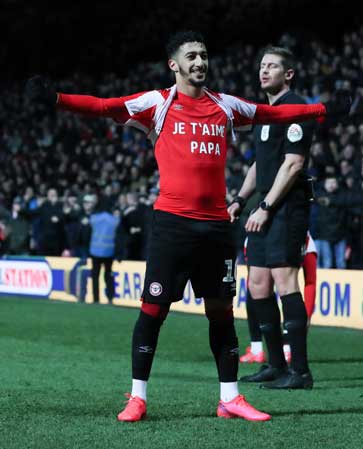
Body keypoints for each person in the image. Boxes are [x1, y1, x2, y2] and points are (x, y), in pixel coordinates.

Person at [25, 31, 350, 421]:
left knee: (221, 313)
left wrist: (322, 110)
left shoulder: (226, 106)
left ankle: (229, 398)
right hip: (171, 225)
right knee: (153, 310)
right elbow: (103, 105)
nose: (200, 62)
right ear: (174, 65)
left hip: (215, 228)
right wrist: (58, 99)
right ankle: (137, 397)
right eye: (192, 56)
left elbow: (274, 114)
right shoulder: (157, 104)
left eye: (204, 55)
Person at [229, 46, 318, 389]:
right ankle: (275, 365)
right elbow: (259, 164)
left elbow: (293, 164)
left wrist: (265, 207)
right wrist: (240, 198)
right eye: (262, 65)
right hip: (264, 208)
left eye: (272, 66)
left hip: (286, 209)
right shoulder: (266, 113)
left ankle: (301, 372)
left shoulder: (297, 108)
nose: (263, 71)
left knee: (284, 281)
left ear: (289, 73)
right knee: (257, 285)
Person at [239, 232, 317, 364]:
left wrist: (308, 316)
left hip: (288, 234)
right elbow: (310, 282)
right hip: (283, 234)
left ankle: (277, 348)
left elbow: (310, 282)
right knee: (260, 286)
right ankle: (267, 349)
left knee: (282, 287)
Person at [89, 198, 121, 304]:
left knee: (95, 276)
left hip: (95, 251)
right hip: (109, 252)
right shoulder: (114, 220)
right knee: (108, 276)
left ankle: (96, 299)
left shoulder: (93, 218)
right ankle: (110, 298)